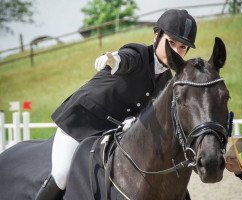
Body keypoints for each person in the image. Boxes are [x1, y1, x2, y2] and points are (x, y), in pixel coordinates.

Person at [35, 9, 197, 200]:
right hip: (81, 121)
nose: (176, 52)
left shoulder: (167, 80)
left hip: (109, 133)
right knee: (61, 175)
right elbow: (125, 59)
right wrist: (114, 59)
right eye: (171, 43)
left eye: (182, 48)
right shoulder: (138, 54)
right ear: (156, 36)